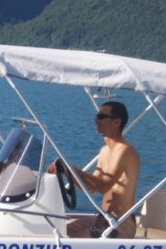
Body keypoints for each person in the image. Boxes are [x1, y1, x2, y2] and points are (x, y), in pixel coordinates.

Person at [51, 101, 141, 238]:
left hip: (121, 222)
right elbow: (93, 187)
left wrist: (71, 168)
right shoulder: (104, 151)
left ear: (117, 122)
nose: (96, 119)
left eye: (101, 116)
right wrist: (66, 172)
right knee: (60, 232)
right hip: (104, 218)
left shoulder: (124, 150)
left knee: (70, 238)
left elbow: (104, 185)